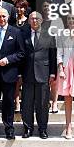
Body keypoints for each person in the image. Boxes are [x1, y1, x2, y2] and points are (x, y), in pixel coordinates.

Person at [0, 8, 25, 140]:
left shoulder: (16, 32)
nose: (2, 19)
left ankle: (9, 129)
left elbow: (21, 53)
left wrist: (8, 60)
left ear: (8, 17)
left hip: (9, 73)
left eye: (4, 16)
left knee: (8, 103)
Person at [21, 11, 56, 139]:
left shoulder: (49, 35)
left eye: (37, 19)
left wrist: (53, 73)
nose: (34, 21)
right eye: (32, 19)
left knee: (42, 104)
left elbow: (53, 54)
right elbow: (21, 55)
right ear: (29, 21)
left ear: (41, 21)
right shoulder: (23, 34)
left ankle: (42, 129)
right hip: (27, 73)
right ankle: (28, 128)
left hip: (43, 73)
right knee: (27, 103)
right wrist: (20, 74)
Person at [12, 0, 30, 113]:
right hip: (15, 53)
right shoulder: (12, 21)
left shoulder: (29, 21)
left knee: (25, 79)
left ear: (25, 8)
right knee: (16, 80)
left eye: (22, 7)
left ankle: (26, 103)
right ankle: (17, 103)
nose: (19, 9)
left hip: (27, 54)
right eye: (17, 7)